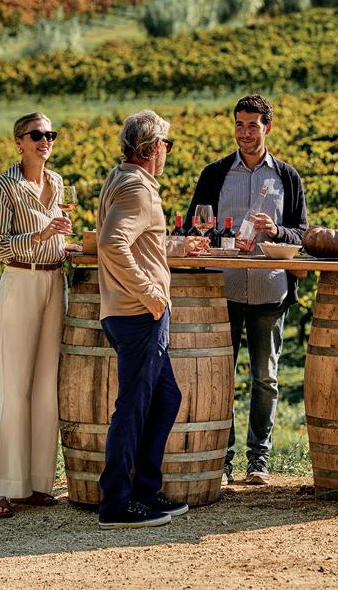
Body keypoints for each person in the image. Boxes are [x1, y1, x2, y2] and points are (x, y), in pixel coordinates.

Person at [187, 94, 309, 486]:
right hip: (221, 289)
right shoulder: (215, 174)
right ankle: (221, 459)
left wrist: (276, 231)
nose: (244, 133)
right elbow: (192, 227)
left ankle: (259, 459)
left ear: (267, 127)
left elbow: (302, 234)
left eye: (252, 125)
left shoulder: (286, 177)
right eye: (239, 125)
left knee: (265, 379)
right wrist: (217, 239)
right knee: (220, 378)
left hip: (269, 289)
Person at [96, 110, 190, 528]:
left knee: (166, 398)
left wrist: (178, 247)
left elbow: (137, 240)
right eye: (167, 144)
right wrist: (150, 293)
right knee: (132, 408)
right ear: (153, 148)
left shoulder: (123, 178)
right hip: (138, 314)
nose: (168, 151)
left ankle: (145, 491)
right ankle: (116, 504)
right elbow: (112, 242)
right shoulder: (137, 187)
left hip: (128, 312)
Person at [0, 112, 72, 519]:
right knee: (15, 388)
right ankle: (3, 489)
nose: (44, 140)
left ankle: (37, 484)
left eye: (50, 134)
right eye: (36, 134)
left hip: (55, 281)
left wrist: (64, 243)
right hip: (20, 282)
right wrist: (39, 235)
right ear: (19, 141)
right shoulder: (3, 187)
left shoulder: (57, 183)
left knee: (46, 388)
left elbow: (58, 235)